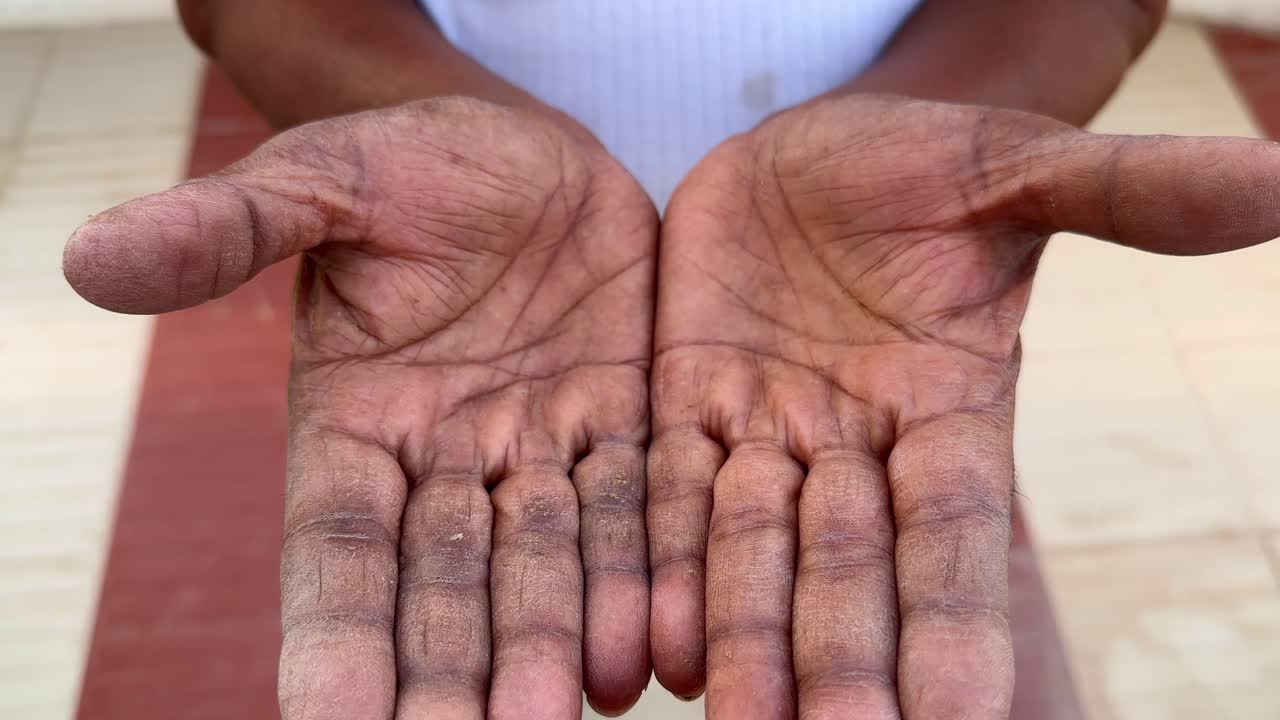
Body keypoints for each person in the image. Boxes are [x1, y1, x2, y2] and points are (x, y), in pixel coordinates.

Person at [60, 1, 1280, 718]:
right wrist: (431, 122)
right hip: (457, 316)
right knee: (431, 621)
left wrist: (932, 135)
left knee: (890, 574)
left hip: (864, 317)